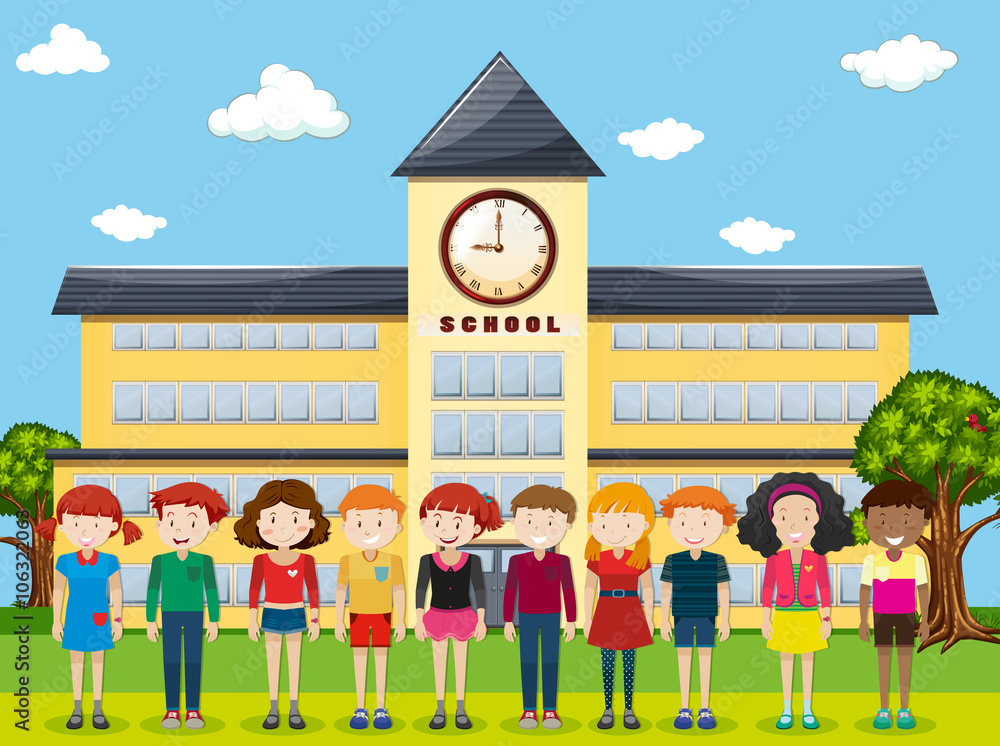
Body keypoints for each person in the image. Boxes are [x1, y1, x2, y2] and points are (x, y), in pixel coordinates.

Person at [736, 473, 853, 730]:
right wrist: (766, 618)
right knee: (786, 662)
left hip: (810, 616)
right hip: (784, 616)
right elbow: (768, 589)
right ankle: (787, 709)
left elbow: (825, 589)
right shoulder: (775, 559)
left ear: (817, 522)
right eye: (785, 517)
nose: (794, 526)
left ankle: (808, 709)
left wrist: (826, 619)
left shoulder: (818, 559)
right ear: (773, 523)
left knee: (808, 663)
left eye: (806, 517)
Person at [36, 484, 143, 730]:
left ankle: (97, 709)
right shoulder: (64, 561)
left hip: (99, 619)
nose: (85, 531)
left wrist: (118, 620)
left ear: (112, 527)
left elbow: (116, 590)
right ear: (62, 525)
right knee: (75, 664)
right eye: (76, 523)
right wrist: (56, 620)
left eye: (96, 524)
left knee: (97, 663)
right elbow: (59, 591)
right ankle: (76, 709)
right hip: (74, 618)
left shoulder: (109, 560)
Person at [233, 479, 329, 730]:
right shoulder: (261, 559)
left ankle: (294, 709)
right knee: (273, 661)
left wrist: (316, 620)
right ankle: (273, 709)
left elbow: (313, 590)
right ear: (260, 523)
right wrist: (252, 619)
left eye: (295, 519)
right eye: (273, 519)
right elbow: (255, 589)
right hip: (271, 612)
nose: (284, 527)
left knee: (294, 662)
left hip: (297, 612)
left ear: (309, 522)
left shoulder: (306, 559)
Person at [414, 482, 503, 729]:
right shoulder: (427, 560)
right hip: (436, 615)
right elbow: (421, 589)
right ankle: (440, 708)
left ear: (473, 528)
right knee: (439, 661)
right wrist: (419, 618)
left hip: (464, 616)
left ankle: (461, 709)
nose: (446, 530)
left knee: (461, 662)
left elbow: (480, 590)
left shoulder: (472, 560)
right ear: (426, 523)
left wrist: (482, 620)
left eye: (456, 524)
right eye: (438, 521)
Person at [146, 482, 231, 729]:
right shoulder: (159, 561)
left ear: (210, 526)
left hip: (196, 615)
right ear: (160, 525)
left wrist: (214, 620)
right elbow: (153, 589)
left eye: (193, 523)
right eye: (171, 521)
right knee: (170, 661)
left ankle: (193, 710)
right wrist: (151, 620)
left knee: (194, 660)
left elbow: (211, 589)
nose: (180, 529)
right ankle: (171, 710)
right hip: (169, 615)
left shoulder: (204, 560)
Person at [659, 486, 736, 730]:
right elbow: (666, 591)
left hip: (706, 615)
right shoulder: (673, 559)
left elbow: (723, 590)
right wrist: (663, 620)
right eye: (683, 522)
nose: (693, 529)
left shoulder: (716, 560)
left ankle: (704, 708)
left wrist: (725, 620)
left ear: (721, 527)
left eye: (705, 523)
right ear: (671, 523)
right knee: (683, 659)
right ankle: (684, 708)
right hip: (681, 615)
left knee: (705, 658)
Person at [502, 484, 578, 730]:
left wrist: (571, 620)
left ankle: (550, 711)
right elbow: (510, 591)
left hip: (552, 616)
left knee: (550, 662)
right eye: (530, 519)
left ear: (565, 525)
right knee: (527, 662)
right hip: (526, 615)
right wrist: (507, 620)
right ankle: (528, 711)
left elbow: (568, 590)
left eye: (550, 522)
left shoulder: (561, 562)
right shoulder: (517, 561)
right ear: (515, 521)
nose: (539, 529)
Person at [859, 479, 932, 730]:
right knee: (882, 660)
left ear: (922, 521)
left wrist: (925, 621)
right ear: (868, 523)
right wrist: (862, 621)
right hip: (880, 615)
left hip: (905, 616)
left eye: (904, 519)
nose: (891, 527)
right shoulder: (872, 560)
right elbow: (864, 591)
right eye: (881, 520)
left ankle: (903, 709)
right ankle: (882, 708)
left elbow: (923, 590)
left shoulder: (915, 562)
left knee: (904, 660)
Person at [333, 484, 407, 730]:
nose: (368, 530)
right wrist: (338, 620)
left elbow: (399, 589)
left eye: (377, 523)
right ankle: (360, 708)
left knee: (381, 660)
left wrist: (401, 620)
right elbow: (341, 591)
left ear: (395, 526)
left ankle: (380, 708)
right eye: (359, 523)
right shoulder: (348, 561)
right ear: (346, 526)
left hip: (383, 615)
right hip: (357, 615)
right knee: (359, 660)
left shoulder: (392, 561)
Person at [583, 482, 655, 730]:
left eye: (625, 523)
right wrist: (587, 617)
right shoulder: (598, 559)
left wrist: (650, 615)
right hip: (605, 610)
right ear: (594, 526)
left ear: (642, 526)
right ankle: (607, 708)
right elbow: (589, 588)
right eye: (605, 523)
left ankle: (628, 709)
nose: (614, 531)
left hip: (631, 610)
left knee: (629, 661)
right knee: (606, 662)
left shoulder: (638, 558)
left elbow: (647, 588)